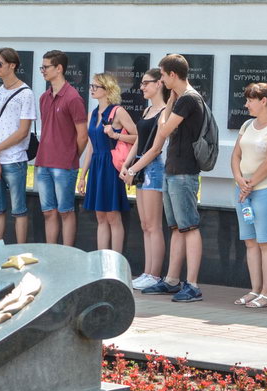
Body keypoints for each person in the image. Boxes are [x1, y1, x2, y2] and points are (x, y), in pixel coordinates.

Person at [134, 54, 207, 303]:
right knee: (176, 227)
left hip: (185, 171)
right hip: (173, 169)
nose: (162, 80)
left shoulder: (188, 99)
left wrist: (169, 104)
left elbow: (163, 129)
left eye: (163, 75)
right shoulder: (180, 98)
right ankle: (172, 280)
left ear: (173, 75)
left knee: (189, 227)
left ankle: (193, 284)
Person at [229, 82, 267, 309]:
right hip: (244, 190)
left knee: (266, 241)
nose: (246, 105)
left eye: (250, 100)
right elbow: (236, 155)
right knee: (250, 241)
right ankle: (255, 290)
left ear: (263, 101)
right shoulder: (247, 125)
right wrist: (239, 178)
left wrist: (250, 184)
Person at [120, 68, 169, 289]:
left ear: (159, 83)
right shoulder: (148, 109)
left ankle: (154, 275)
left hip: (153, 169)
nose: (142, 87)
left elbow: (156, 148)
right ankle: (147, 272)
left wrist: (133, 169)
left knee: (154, 225)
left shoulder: (165, 111)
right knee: (145, 224)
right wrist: (126, 164)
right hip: (140, 166)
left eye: (146, 83)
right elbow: (140, 140)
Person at [0, 47, 36, 244]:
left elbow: (23, 131)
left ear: (12, 65)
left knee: (19, 209)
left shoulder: (26, 94)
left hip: (15, 160)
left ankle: (19, 252)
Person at [36, 50, 88, 246]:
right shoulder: (44, 97)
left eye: (46, 67)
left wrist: (71, 156)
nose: (43, 70)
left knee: (66, 211)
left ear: (59, 68)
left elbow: (82, 135)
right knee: (48, 212)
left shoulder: (73, 98)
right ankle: (51, 252)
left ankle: (68, 254)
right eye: (41, 67)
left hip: (64, 165)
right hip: (43, 162)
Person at [79, 72, 132, 252]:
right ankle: (101, 259)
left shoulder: (118, 111)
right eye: (91, 86)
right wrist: (82, 175)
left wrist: (116, 135)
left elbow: (137, 136)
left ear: (107, 90)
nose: (92, 89)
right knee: (100, 217)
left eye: (96, 86)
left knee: (113, 217)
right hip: (96, 166)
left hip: (111, 166)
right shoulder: (92, 114)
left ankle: (116, 260)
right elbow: (91, 147)